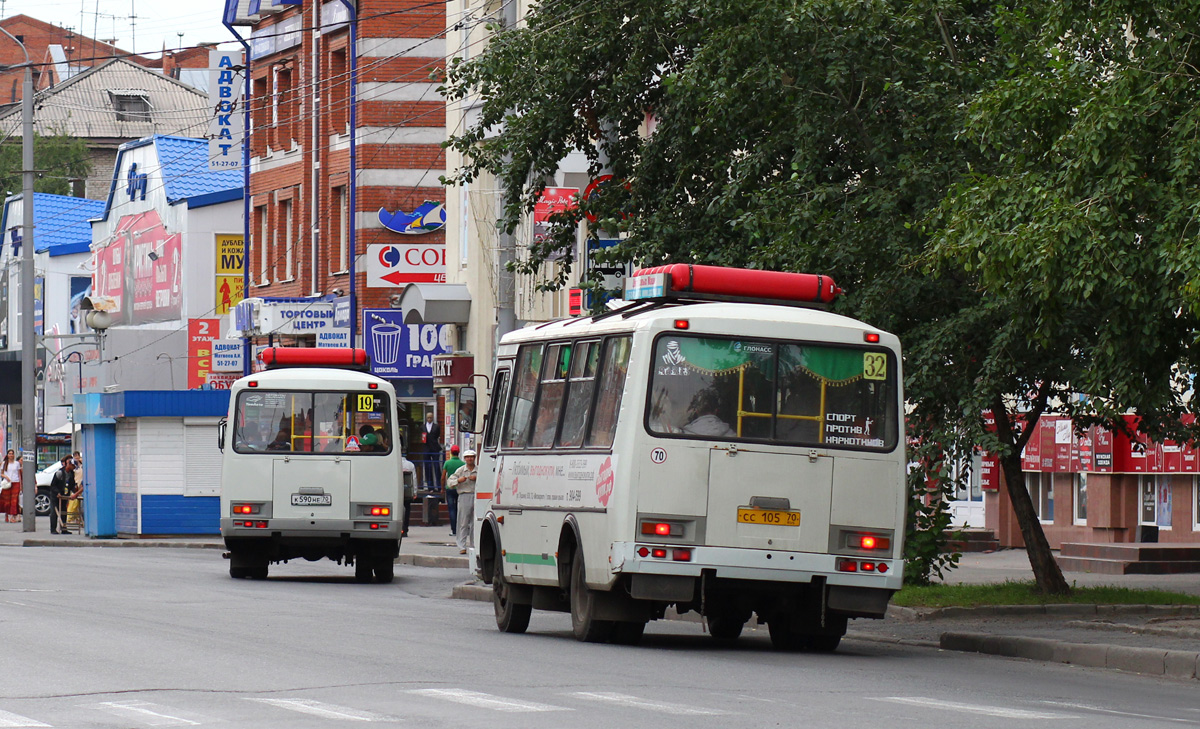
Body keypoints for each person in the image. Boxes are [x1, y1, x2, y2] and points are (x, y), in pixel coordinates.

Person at [448, 450, 477, 554]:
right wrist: (458, 481)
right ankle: (462, 546)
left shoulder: (478, 470)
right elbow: (450, 482)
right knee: (463, 521)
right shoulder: (460, 470)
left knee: (475, 523)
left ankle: (474, 545)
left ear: (474, 458)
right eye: (468, 457)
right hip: (464, 495)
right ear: (465, 459)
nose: (470, 459)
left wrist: (476, 478)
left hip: (476, 496)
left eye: (471, 457)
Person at [48, 456, 77, 534]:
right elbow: (53, 485)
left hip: (65, 495)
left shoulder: (71, 474)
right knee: (54, 512)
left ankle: (64, 528)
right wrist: (57, 492)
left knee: (64, 511)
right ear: (69, 464)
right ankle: (53, 529)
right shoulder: (59, 473)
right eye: (73, 466)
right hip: (56, 495)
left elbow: (71, 485)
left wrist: (75, 490)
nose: (73, 468)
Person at [441, 445, 465, 537]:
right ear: (458, 453)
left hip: (450, 488)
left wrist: (442, 488)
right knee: (459, 509)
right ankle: (460, 529)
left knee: (451, 509)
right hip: (460, 488)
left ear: (451, 453)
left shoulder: (447, 463)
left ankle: (454, 530)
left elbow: (443, 477)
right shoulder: (462, 464)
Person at [419, 411, 442, 491]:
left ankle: (439, 486)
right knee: (427, 467)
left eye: (431, 417)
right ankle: (430, 486)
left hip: (435, 448)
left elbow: (438, 435)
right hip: (426, 448)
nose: (429, 419)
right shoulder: (422, 427)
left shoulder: (437, 426)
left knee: (436, 467)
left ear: (433, 418)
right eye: (428, 417)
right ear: (426, 418)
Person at [1, 449, 21, 523]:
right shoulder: (4, 463)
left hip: (16, 482)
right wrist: (6, 477)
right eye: (9, 454)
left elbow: (19, 474)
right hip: (7, 483)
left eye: (12, 454)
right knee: (7, 501)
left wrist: (21, 485)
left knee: (14, 500)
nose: (11, 455)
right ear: (7, 455)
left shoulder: (17, 463)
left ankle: (12, 516)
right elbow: (1, 473)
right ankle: (7, 514)